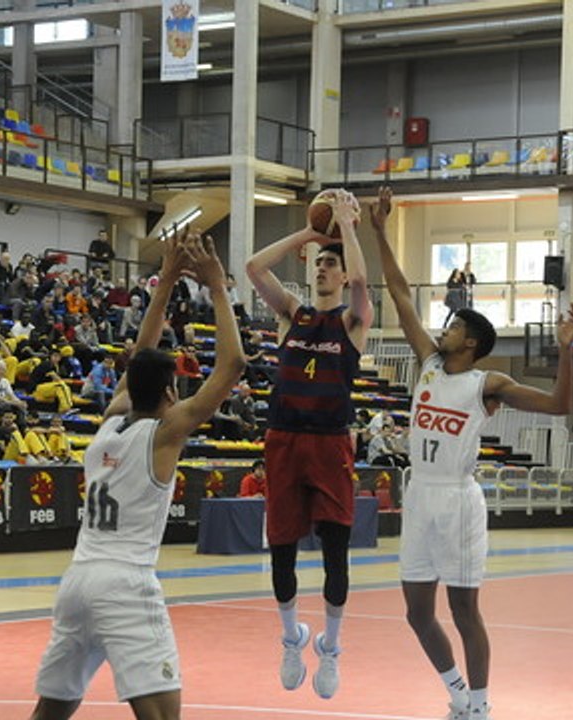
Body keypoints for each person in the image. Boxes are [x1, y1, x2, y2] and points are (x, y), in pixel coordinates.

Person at [372, 186, 573, 720]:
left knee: (464, 608)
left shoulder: (488, 382)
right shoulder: (429, 364)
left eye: (456, 325)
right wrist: (378, 229)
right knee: (417, 613)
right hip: (419, 493)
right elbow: (396, 292)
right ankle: (458, 693)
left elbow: (558, 405)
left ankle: (481, 707)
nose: (446, 326)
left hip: (459, 501)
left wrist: (567, 350)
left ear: (471, 343)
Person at [29, 228, 245, 720]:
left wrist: (165, 282)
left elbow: (137, 357)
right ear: (171, 394)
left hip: (78, 581)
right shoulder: (165, 433)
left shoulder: (106, 429)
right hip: (125, 583)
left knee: (51, 711)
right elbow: (232, 365)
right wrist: (216, 286)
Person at [246, 188, 373, 699]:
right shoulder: (291, 316)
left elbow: (364, 279)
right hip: (283, 440)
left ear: (341, 276)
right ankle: (290, 637)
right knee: (281, 550)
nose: (322, 268)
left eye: (330, 264)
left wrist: (346, 229)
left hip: (329, 443)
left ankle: (333, 648)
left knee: (335, 555)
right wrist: (310, 231)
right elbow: (255, 267)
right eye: (318, 263)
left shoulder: (351, 322)